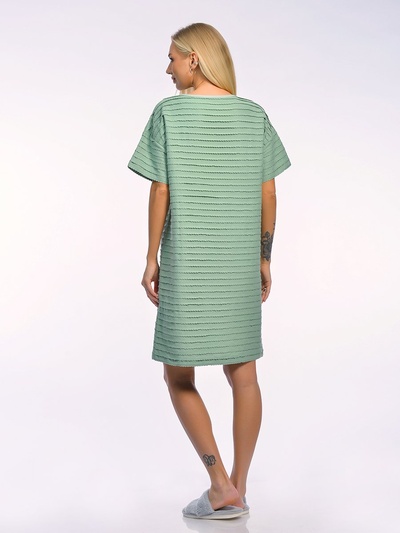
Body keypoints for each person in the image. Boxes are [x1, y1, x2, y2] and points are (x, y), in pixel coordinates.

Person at [127, 22, 291, 520]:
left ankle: (220, 485)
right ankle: (239, 486)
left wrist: (151, 257)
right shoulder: (254, 115)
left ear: (194, 59)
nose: (168, 69)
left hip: (188, 265)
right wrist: (264, 257)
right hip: (239, 266)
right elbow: (268, 191)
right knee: (244, 375)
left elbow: (161, 189)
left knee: (178, 375)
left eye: (172, 58)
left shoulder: (169, 113)